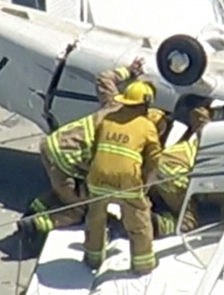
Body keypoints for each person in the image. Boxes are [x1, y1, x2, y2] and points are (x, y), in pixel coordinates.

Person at [18, 58, 166, 241]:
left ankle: (37, 207)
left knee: (67, 190)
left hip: (53, 143)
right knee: (82, 206)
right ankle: (34, 226)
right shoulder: (126, 140)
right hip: (64, 163)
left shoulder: (115, 104)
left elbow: (104, 79)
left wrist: (130, 71)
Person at [83, 80, 163, 275]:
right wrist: (146, 185)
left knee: (95, 217)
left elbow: (94, 149)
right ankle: (143, 265)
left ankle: (92, 259)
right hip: (127, 181)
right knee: (138, 221)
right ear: (145, 104)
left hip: (98, 176)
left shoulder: (107, 119)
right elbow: (154, 159)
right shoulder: (147, 126)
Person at [150, 103, 212, 237]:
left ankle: (151, 224)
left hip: (172, 170)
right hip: (176, 172)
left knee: (187, 218)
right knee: (188, 220)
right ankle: (152, 225)